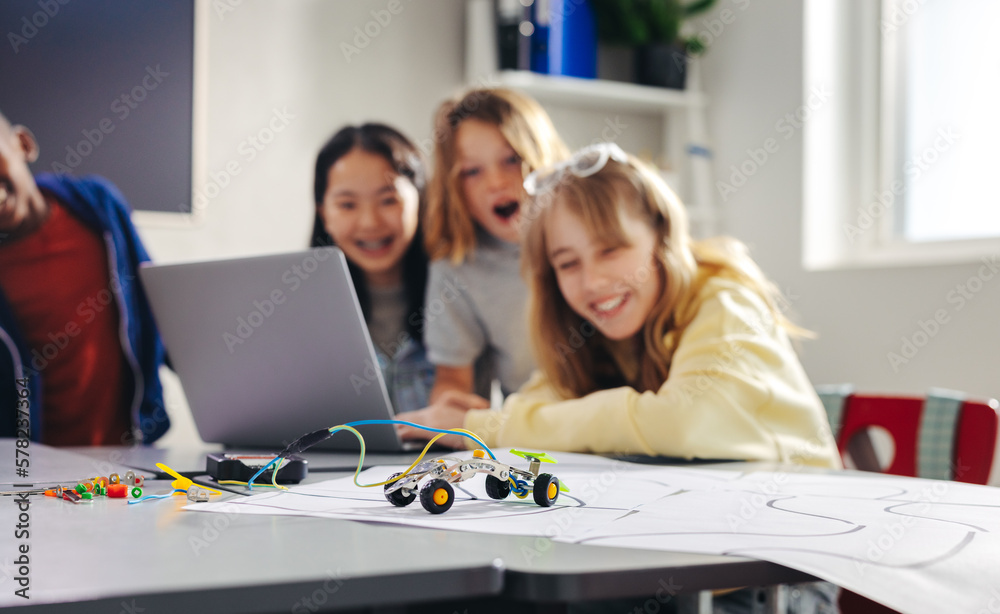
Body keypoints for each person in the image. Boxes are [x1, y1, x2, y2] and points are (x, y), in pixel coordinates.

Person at [400, 142, 841, 469]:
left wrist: (484, 428)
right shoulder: (597, 334)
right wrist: (485, 421)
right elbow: (541, 408)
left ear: (661, 236)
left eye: (611, 250)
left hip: (784, 571)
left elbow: (683, 420)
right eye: (568, 264)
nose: (593, 282)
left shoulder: (725, 301)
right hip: (690, 550)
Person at [0, 111, 169, 445]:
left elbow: (157, 308)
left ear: (23, 144)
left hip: (130, 454)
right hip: (32, 471)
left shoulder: (99, 206)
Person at [421, 87, 569, 405]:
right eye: (472, 171)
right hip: (535, 433)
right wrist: (453, 407)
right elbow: (452, 380)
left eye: (511, 160)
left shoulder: (590, 235)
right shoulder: (458, 270)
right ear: (454, 188)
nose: (496, 183)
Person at [311, 123, 435, 413]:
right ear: (324, 214)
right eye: (347, 204)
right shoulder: (296, 309)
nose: (369, 222)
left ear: (420, 200)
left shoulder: (461, 292)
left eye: (388, 200)